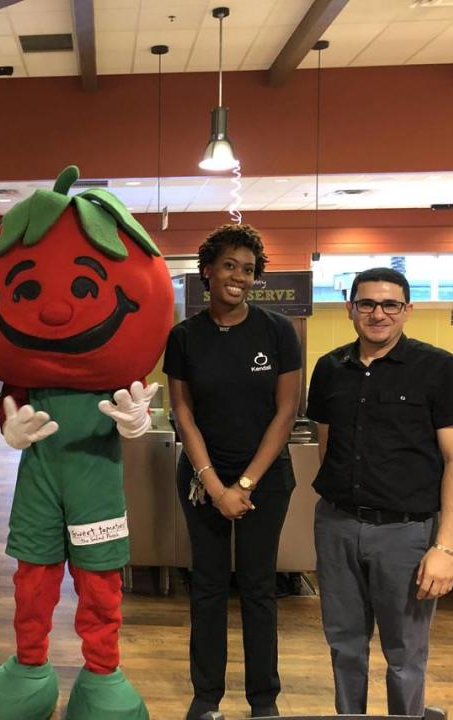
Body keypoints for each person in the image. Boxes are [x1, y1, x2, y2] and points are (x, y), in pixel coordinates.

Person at [306, 267, 453, 715]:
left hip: (404, 535)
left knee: (404, 655)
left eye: (390, 304)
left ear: (407, 311)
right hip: (337, 525)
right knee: (344, 646)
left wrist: (447, 547)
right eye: (367, 303)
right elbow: (329, 445)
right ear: (351, 308)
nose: (377, 313)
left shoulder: (439, 369)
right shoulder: (328, 369)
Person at [163, 224, 301, 719]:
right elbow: (183, 412)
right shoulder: (183, 337)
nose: (239, 277)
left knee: (260, 587)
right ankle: (206, 698)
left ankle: (263, 700)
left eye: (248, 269)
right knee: (208, 585)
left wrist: (243, 485)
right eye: (229, 266)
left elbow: (285, 413)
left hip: (265, 481)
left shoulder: (277, 331)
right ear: (207, 272)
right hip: (204, 483)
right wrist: (215, 485)